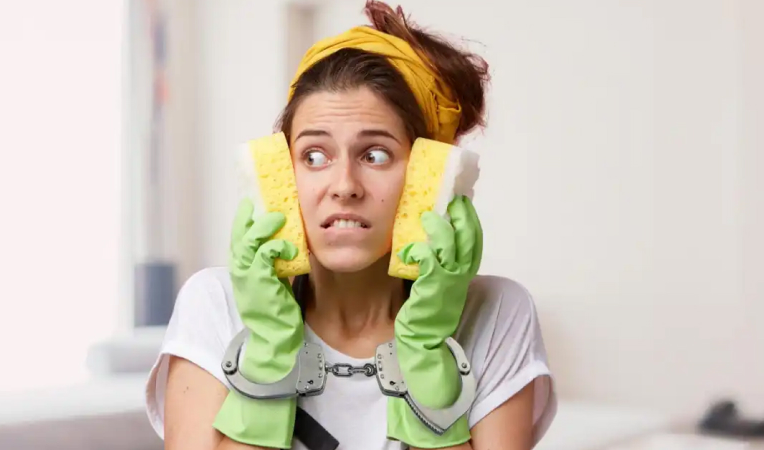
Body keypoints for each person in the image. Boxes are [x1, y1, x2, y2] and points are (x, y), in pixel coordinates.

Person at [145, 2, 557, 449]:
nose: (343, 186)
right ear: (284, 173)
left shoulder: (496, 313)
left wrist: (426, 361)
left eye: (375, 155)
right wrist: (266, 356)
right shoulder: (217, 306)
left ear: (427, 173)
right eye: (314, 156)